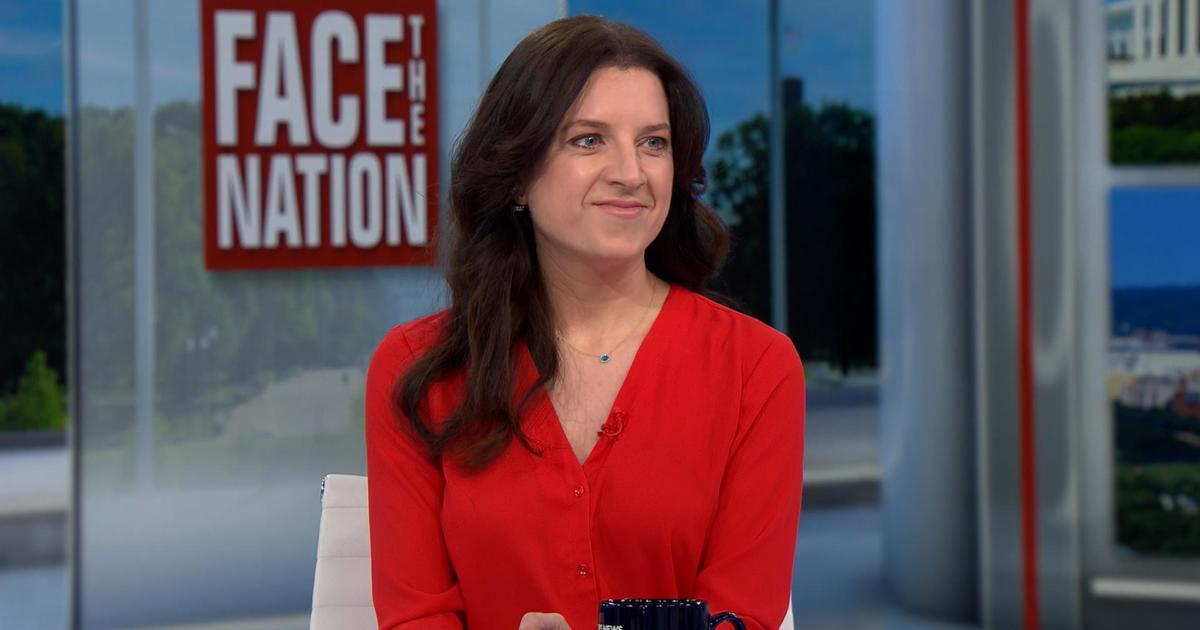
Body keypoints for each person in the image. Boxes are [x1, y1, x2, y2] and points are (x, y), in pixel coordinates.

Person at [365, 15, 805, 630]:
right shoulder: (418, 368)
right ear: (517, 175)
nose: (631, 172)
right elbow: (416, 617)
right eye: (589, 140)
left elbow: (743, 616)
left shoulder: (756, 367)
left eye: (653, 143)